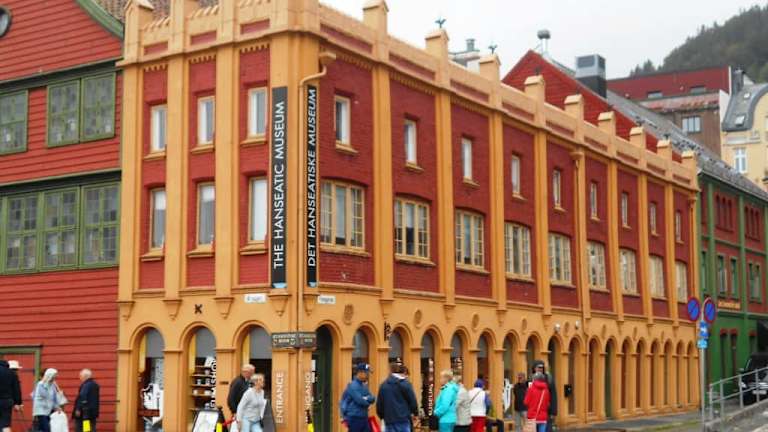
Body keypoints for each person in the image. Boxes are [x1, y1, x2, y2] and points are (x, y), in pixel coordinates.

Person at [376, 363, 419, 432]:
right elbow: (412, 401)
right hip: (403, 420)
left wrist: (382, 416)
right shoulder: (405, 384)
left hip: (389, 421)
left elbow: (379, 405)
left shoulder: (383, 385)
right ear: (404, 373)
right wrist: (415, 414)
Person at [340, 363, 376, 432]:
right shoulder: (353, 386)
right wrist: (367, 401)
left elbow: (373, 398)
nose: (368, 376)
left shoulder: (363, 386)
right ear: (360, 373)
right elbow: (361, 401)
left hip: (363, 417)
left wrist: (366, 398)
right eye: (366, 373)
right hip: (354, 418)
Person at [531, 361, 557, 432]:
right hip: (533, 412)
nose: (540, 369)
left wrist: (553, 412)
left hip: (546, 411)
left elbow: (553, 395)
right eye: (538, 367)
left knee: (546, 429)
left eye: (541, 368)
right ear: (534, 368)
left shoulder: (548, 378)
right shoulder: (531, 378)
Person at [0, 360, 22, 432]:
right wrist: (18, 403)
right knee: (5, 424)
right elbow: (16, 389)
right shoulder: (12, 374)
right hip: (7, 401)